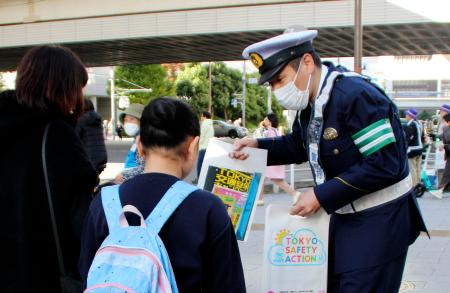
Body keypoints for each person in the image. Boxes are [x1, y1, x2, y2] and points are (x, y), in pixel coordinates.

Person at [230, 28, 427, 292]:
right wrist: (257, 146)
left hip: (380, 223)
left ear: (307, 63)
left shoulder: (355, 95)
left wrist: (321, 195)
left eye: (280, 79)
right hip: (343, 218)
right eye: (272, 84)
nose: (277, 90)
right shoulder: (310, 104)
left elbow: (385, 163)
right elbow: (299, 146)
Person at [79, 97, 246, 292]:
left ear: (140, 145)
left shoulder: (102, 203)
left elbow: (87, 276)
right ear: (192, 147)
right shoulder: (208, 208)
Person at [0, 45, 98, 292]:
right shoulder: (56, 135)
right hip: (41, 277)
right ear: (63, 87)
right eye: (77, 87)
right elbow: (81, 223)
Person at [257, 113, 298, 206]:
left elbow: (266, 145)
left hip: (272, 161)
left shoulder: (270, 132)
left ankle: (295, 194)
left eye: (266, 119)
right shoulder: (275, 131)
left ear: (270, 122)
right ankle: (260, 199)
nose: (264, 121)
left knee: (275, 180)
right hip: (275, 161)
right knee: (263, 179)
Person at [76, 99, 108, 174]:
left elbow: (75, 138)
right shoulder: (97, 119)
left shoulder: (81, 120)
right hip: (101, 157)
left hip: (89, 159)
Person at [430, 113, 450, 199]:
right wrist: (434, 137)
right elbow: (440, 137)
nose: (443, 123)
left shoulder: (447, 129)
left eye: (444, 121)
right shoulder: (446, 129)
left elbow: (447, 138)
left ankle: (440, 190)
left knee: (447, 174)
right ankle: (440, 190)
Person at [120, 103, 145, 169]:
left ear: (141, 121)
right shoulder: (137, 138)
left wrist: (124, 175)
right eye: (125, 120)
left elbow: (144, 167)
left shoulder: (144, 140)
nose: (128, 123)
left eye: (132, 119)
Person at [404, 108, 423, 189]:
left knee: (412, 169)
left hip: (412, 150)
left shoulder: (410, 125)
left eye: (407, 114)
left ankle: (414, 187)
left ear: (410, 116)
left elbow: (408, 138)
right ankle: (419, 185)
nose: (405, 116)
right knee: (418, 169)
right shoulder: (419, 124)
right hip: (420, 148)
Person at [197, 110, 214, 177]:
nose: (201, 117)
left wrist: (198, 145)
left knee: (199, 165)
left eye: (201, 116)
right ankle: (201, 179)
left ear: (205, 117)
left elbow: (202, 136)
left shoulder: (205, 123)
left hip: (203, 147)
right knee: (204, 165)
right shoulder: (210, 124)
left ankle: (199, 180)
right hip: (208, 147)